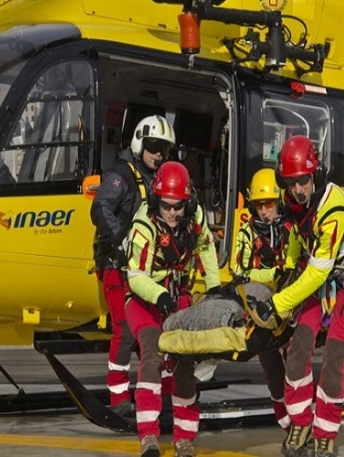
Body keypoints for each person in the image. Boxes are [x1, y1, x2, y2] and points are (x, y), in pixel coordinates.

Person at [250, 136, 344, 457]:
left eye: (304, 181)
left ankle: (325, 431)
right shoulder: (294, 201)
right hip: (320, 284)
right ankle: (301, 421)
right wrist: (290, 267)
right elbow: (296, 234)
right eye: (291, 183)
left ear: (316, 176)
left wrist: (279, 303)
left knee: (335, 359)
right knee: (297, 351)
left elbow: (320, 271)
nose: (298, 190)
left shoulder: (333, 208)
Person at [125, 161, 221, 457]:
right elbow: (136, 276)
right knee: (152, 354)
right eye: (166, 206)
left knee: (183, 363)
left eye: (178, 206)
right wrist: (160, 296)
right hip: (145, 300)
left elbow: (205, 247)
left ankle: (184, 437)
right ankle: (149, 437)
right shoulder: (144, 225)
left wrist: (214, 287)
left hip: (178, 297)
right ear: (156, 202)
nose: (172, 213)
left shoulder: (195, 217)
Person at [90, 115, 175, 416]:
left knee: (156, 329)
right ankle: (118, 398)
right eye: (153, 146)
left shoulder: (159, 179)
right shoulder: (121, 175)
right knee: (125, 329)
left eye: (164, 149)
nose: (158, 154)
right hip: (117, 263)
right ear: (140, 143)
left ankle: (160, 391)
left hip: (147, 268)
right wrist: (122, 239)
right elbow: (99, 206)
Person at [233, 167, 293, 435]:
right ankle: (281, 410)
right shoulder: (246, 234)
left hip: (290, 300)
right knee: (271, 362)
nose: (264, 211)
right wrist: (271, 274)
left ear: (278, 201)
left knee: (295, 358)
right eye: (259, 205)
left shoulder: (291, 228)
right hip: (262, 306)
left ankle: (301, 408)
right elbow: (240, 272)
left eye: (269, 204)